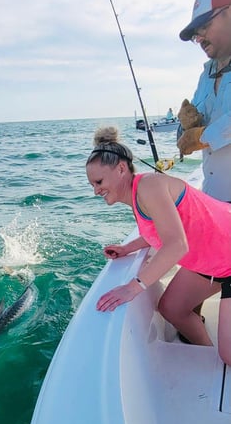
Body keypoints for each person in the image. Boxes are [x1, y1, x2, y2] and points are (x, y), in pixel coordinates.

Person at [86, 126, 231, 365]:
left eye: (98, 181)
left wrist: (133, 287)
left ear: (121, 168)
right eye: (92, 185)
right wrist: (128, 248)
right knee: (172, 308)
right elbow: (162, 231)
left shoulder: (149, 187)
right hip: (213, 262)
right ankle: (208, 358)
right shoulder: (136, 196)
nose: (95, 190)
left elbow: (176, 246)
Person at [177, 0, 231, 203]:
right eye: (195, 34)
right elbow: (187, 133)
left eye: (204, 26)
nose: (199, 38)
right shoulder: (205, 75)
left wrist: (200, 137)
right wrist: (184, 126)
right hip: (215, 201)